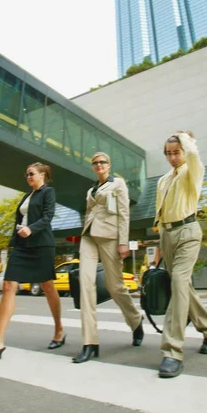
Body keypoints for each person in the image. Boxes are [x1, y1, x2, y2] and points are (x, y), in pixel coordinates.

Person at [0, 162, 65, 362]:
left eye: (31, 174)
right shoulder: (26, 196)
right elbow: (19, 220)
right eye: (26, 174)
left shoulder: (48, 192)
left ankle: (59, 329)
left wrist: (31, 228)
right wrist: (17, 235)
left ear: (42, 175)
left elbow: (48, 216)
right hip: (22, 245)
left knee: (47, 286)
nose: (28, 177)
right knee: (8, 285)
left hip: (41, 244)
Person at [156, 131, 207, 378]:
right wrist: (159, 249)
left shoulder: (191, 171)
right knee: (183, 287)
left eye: (176, 152)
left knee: (179, 283)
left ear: (183, 151)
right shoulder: (163, 179)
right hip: (167, 234)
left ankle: (172, 351)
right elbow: (161, 214)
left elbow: (194, 155)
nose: (173, 157)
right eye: (169, 153)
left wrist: (184, 137)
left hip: (188, 231)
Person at [72, 152, 144, 364]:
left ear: (109, 165)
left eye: (102, 162)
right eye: (95, 163)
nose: (99, 165)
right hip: (88, 237)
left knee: (115, 287)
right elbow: (88, 213)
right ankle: (90, 343)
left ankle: (135, 320)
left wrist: (123, 241)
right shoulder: (90, 189)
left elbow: (124, 213)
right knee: (85, 285)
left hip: (111, 236)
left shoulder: (118, 184)